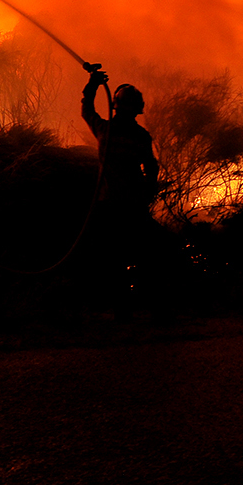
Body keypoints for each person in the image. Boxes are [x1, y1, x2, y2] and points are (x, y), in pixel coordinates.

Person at [81, 68, 172, 317]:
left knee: (110, 254)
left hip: (108, 203)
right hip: (132, 204)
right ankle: (144, 300)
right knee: (142, 251)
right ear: (138, 109)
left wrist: (93, 84)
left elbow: (87, 110)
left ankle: (115, 303)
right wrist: (148, 190)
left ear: (115, 106)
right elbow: (151, 167)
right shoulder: (141, 136)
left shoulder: (104, 130)